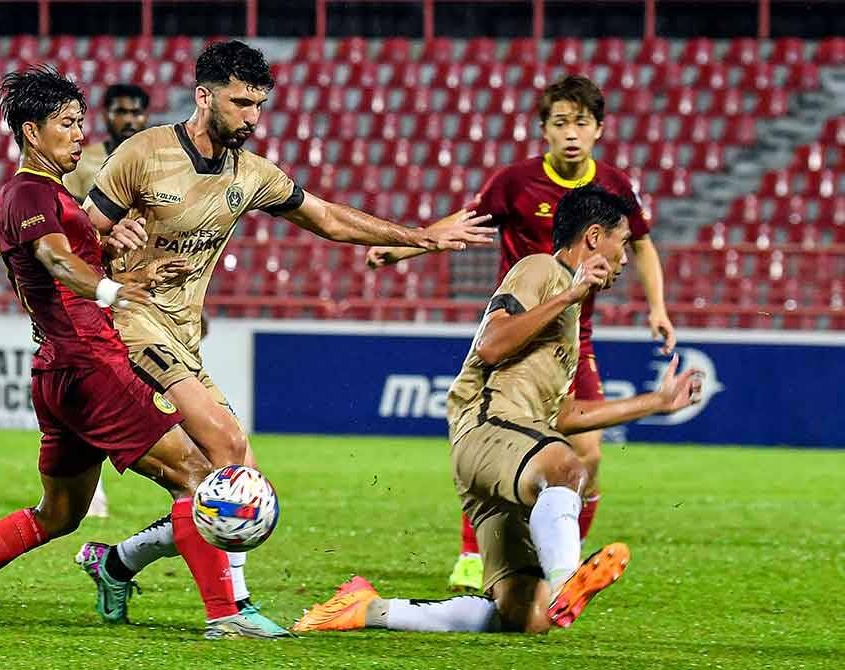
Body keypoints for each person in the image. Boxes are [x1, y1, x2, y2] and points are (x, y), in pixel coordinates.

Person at [73, 40, 493, 633]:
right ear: (204, 97)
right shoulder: (143, 154)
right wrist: (113, 250)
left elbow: (327, 218)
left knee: (242, 478)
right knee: (227, 452)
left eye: (259, 105)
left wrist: (419, 236)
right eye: (241, 103)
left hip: (182, 337)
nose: (252, 116)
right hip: (129, 327)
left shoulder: (251, 174)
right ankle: (233, 611)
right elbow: (76, 239)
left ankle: (116, 562)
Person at [0, 66, 275, 639]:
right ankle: (227, 615)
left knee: (58, 514)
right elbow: (54, 259)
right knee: (196, 476)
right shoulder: (29, 192)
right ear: (32, 132)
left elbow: (69, 260)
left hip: (56, 371)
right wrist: (109, 290)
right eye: (68, 124)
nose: (80, 135)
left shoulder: (52, 196)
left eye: (80, 122)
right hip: (91, 364)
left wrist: (130, 269)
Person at [293, 183, 702, 635]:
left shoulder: (567, 310)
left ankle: (369, 609)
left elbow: (562, 415)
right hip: (489, 428)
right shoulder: (540, 269)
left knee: (527, 615)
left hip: (503, 453)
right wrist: (569, 295)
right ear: (593, 237)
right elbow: (490, 345)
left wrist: (657, 402)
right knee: (567, 468)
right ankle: (566, 581)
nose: (625, 258)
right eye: (622, 243)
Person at [366, 75, 678, 592]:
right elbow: (467, 222)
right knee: (499, 437)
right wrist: (405, 247)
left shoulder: (614, 188)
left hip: (573, 334)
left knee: (589, 455)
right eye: (560, 123)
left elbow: (641, 245)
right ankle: (474, 554)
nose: (571, 133)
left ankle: (560, 565)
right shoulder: (516, 182)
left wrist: (658, 308)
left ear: (599, 129)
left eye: (581, 123)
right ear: (544, 130)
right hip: (520, 324)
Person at [61, 82, 150, 518]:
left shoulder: (153, 159)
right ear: (107, 115)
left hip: (144, 283)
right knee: (94, 382)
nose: (129, 119)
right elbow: (66, 219)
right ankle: (90, 484)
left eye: (136, 112)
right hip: (96, 284)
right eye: (121, 111)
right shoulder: (84, 164)